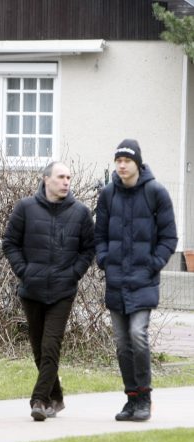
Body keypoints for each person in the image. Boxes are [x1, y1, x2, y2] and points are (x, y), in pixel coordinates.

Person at [2, 161, 95, 421]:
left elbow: (89, 249)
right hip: (31, 288)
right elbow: (9, 243)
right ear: (46, 179)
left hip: (62, 291)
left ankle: (39, 400)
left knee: (51, 344)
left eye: (69, 177)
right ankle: (56, 397)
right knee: (38, 349)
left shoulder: (80, 213)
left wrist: (73, 274)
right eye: (60, 177)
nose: (66, 181)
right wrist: (25, 271)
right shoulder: (25, 208)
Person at [95, 139, 177, 422]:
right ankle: (131, 400)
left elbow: (169, 238)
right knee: (121, 343)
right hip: (116, 280)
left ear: (137, 164)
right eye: (118, 160)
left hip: (143, 280)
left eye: (126, 161)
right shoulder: (108, 194)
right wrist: (104, 259)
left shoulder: (156, 193)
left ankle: (145, 397)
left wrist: (153, 265)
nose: (121, 165)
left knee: (138, 336)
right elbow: (100, 235)